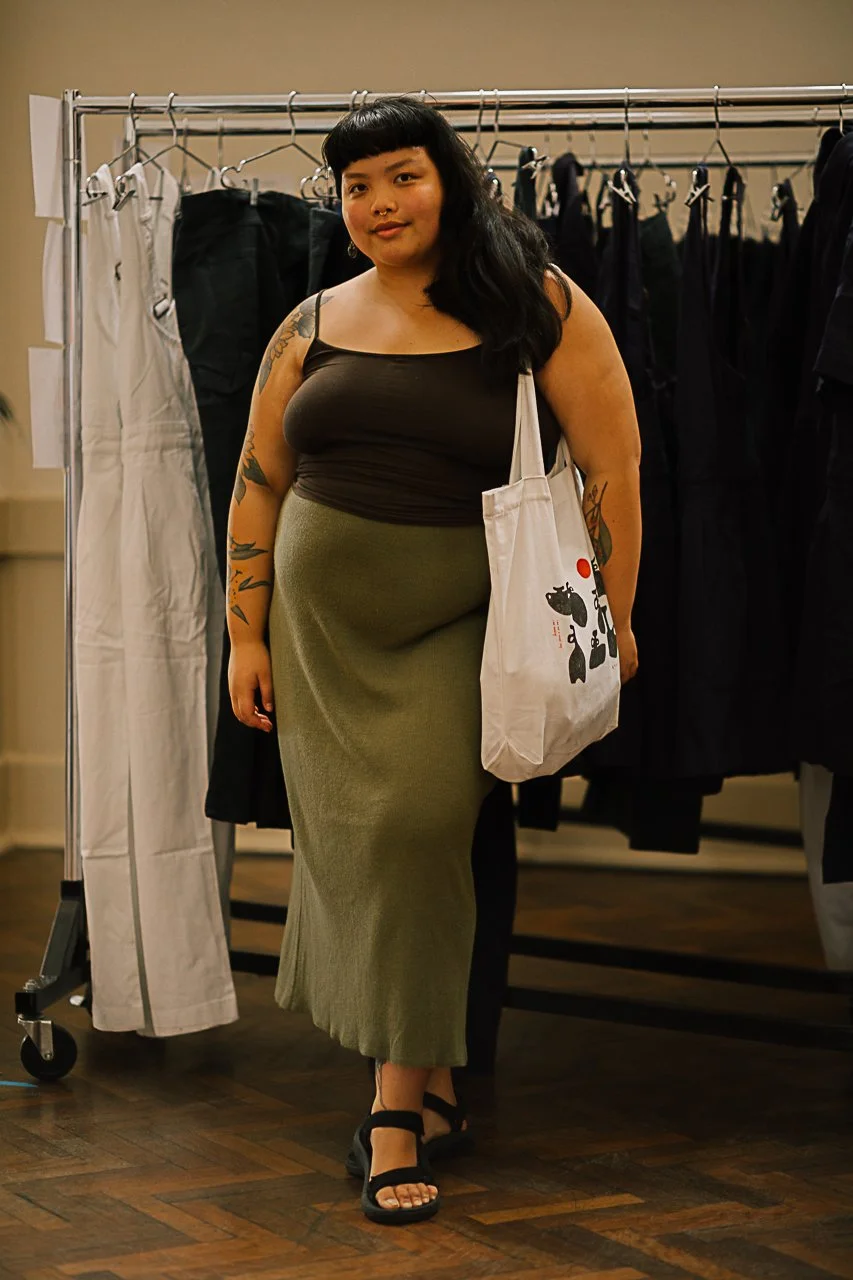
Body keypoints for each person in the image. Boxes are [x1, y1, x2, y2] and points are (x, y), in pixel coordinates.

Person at [226, 95, 641, 1226]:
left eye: (401, 176)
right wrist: (245, 630)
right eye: (355, 186)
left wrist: (607, 619)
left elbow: (612, 471)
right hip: (320, 639)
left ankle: (392, 1114)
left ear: (448, 180)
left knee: (410, 832)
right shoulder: (311, 319)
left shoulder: (536, 302)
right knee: (364, 852)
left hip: (470, 624)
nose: (377, 204)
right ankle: (433, 1076)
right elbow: (258, 479)